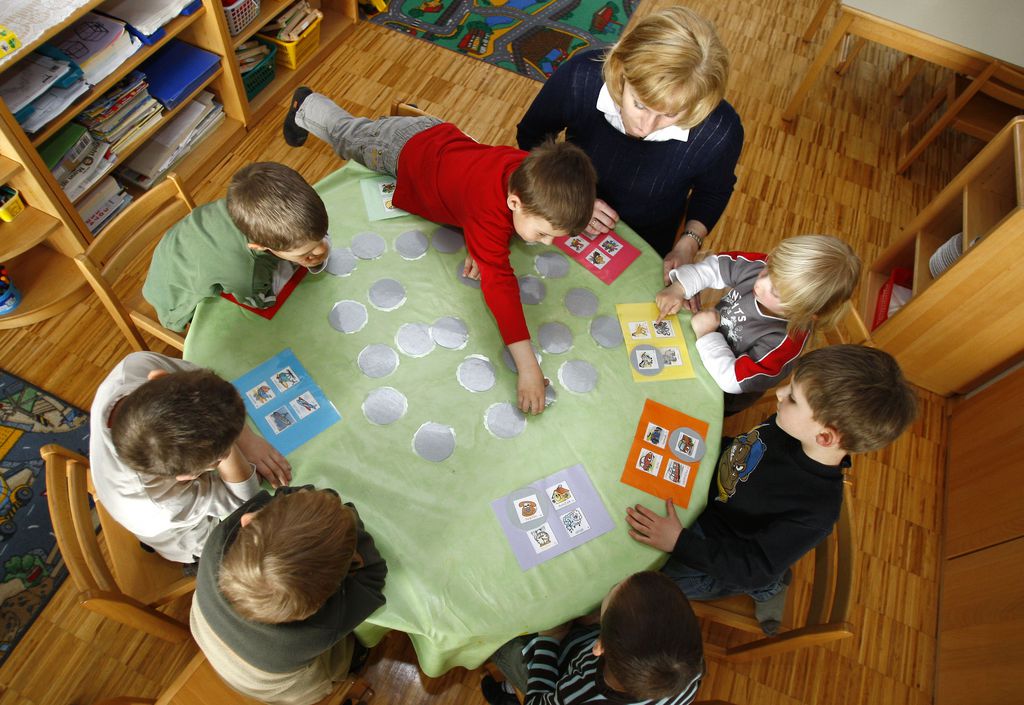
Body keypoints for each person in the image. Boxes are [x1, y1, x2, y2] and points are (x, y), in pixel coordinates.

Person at [283, 89, 597, 415]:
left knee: (365, 133)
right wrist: (528, 366)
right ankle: (305, 105)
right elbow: (499, 286)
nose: (546, 243)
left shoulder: (529, 170)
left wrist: (481, 240)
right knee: (345, 135)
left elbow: (485, 207)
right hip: (398, 149)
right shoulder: (489, 209)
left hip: (439, 137)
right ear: (514, 202)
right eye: (543, 233)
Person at [625, 345, 917, 635]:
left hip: (722, 556)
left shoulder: (815, 512)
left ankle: (772, 587)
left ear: (825, 436)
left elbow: (753, 567)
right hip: (713, 504)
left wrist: (679, 543)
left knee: (641, 579)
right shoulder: (788, 427)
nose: (778, 393)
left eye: (792, 398)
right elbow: (742, 449)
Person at [516, 6, 743, 294]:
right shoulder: (581, 77)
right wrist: (570, 197)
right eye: (640, 105)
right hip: (562, 211)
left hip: (648, 238)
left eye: (670, 114)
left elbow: (713, 191)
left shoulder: (720, 131)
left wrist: (688, 242)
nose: (646, 126)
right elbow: (532, 136)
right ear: (621, 72)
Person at [190, 486, 387, 705]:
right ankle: (354, 664)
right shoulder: (319, 629)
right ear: (323, 603)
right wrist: (349, 520)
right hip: (284, 689)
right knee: (348, 653)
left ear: (248, 520)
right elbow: (374, 576)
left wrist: (321, 516)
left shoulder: (218, 541)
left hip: (210, 640)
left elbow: (277, 496)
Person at [89, 352, 292, 565]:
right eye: (221, 456)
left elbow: (204, 381)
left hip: (139, 495)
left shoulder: (134, 367)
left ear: (159, 377)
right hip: (192, 539)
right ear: (188, 476)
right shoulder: (161, 502)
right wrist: (229, 444)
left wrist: (245, 438)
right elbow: (244, 501)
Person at [656, 234, 861, 414]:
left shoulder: (785, 342)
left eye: (776, 292)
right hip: (700, 342)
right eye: (769, 269)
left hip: (722, 392)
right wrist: (680, 288)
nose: (760, 282)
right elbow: (715, 267)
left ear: (807, 312)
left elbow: (731, 380)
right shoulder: (772, 268)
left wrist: (707, 333)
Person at [143, 162, 332, 333]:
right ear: (259, 246)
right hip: (176, 299)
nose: (319, 251)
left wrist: (303, 252)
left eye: (322, 236)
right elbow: (259, 301)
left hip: (182, 249)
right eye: (305, 253)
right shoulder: (245, 273)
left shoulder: (248, 208)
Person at [481, 571, 704, 705]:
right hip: (595, 649)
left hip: (556, 671)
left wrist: (549, 639)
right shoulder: (689, 665)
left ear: (599, 645)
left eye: (612, 592)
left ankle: (509, 693)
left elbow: (536, 702)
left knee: (499, 636)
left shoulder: (578, 694)